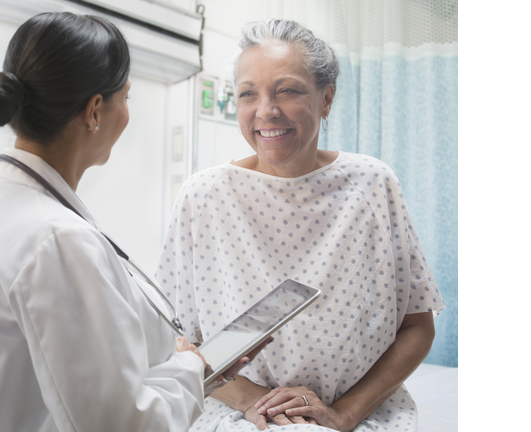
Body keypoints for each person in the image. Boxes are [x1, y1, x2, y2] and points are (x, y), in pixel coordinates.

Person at [0, 12, 264, 432]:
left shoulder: (4, 205)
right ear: (95, 110)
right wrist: (194, 366)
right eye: (127, 97)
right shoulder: (56, 239)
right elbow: (121, 424)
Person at [156, 19, 445, 432]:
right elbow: (174, 339)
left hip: (360, 412)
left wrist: (344, 413)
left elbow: (417, 327)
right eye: (247, 94)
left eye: (287, 90)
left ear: (326, 99)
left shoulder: (372, 184)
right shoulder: (202, 196)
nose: (265, 111)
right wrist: (256, 402)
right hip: (239, 411)